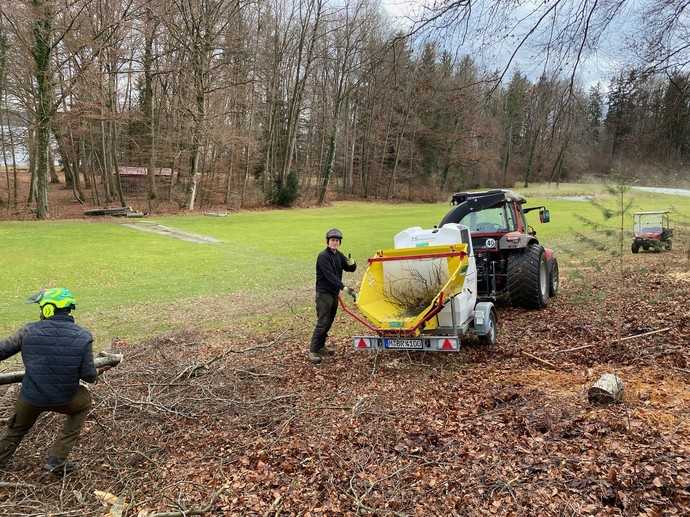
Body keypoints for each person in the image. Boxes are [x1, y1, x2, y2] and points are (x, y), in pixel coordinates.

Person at [0, 288, 97, 475]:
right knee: (84, 402)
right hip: (65, 398)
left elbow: (2, 351)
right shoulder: (84, 336)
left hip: (31, 397)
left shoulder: (28, 331)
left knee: (16, 429)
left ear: (48, 309)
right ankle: (57, 461)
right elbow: (89, 376)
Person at [309, 228, 357, 364]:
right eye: (332, 240)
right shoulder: (323, 256)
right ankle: (313, 350)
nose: (334, 243)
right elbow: (330, 276)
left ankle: (321, 347)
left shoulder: (338, 255)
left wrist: (352, 263)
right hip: (324, 294)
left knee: (329, 321)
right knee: (323, 321)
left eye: (337, 241)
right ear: (327, 242)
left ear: (339, 243)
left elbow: (349, 268)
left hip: (333, 293)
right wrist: (345, 288)